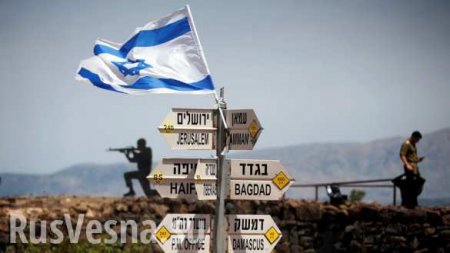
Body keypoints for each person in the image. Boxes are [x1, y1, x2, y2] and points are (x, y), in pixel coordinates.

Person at [397, 131, 425, 208]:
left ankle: (413, 202)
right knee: (412, 185)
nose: (418, 141)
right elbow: (402, 155)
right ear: (413, 137)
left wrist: (418, 159)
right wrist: (407, 164)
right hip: (410, 167)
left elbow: (411, 156)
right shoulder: (406, 144)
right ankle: (410, 203)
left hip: (414, 166)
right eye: (417, 139)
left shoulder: (413, 144)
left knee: (417, 184)